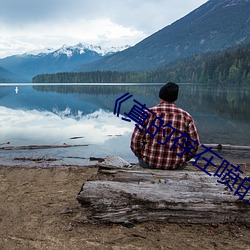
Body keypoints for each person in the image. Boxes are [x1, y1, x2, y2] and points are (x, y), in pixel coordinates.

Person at [130, 82, 200, 170]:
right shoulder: (186, 116)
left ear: (160, 96)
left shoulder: (147, 114)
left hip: (149, 162)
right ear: (175, 98)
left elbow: (135, 142)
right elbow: (194, 144)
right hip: (177, 165)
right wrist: (185, 158)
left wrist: (141, 156)